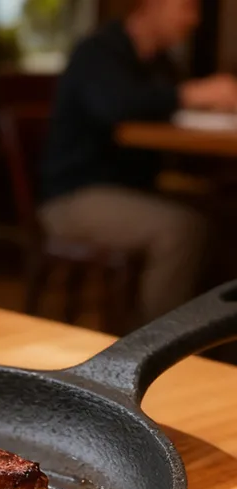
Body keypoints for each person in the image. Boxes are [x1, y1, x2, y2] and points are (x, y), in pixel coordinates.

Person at [39, 0, 237, 323]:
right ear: (152, 5)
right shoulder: (98, 51)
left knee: (220, 215)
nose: (194, 20)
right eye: (187, 7)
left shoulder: (160, 63)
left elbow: (164, 107)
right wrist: (190, 94)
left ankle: (213, 342)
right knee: (181, 229)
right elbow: (115, 106)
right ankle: (156, 345)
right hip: (76, 196)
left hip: (133, 189)